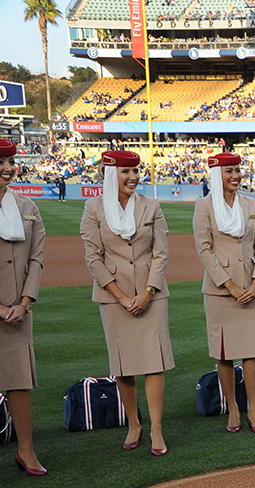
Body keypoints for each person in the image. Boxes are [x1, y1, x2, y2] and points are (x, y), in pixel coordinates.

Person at [81, 151, 173, 456]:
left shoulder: (152, 205)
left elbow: (161, 253)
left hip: (152, 294)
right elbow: (93, 258)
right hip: (113, 297)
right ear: (111, 175)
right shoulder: (93, 208)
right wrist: (121, 297)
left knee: (154, 363)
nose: (133, 177)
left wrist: (147, 292)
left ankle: (157, 429)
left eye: (135, 170)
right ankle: (135, 423)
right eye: (125, 171)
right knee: (123, 365)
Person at [193, 153, 255, 434]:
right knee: (224, 353)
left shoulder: (251, 204)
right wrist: (230, 285)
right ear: (216, 175)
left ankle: (252, 410)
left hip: (250, 288)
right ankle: (233, 409)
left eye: (237, 170)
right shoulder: (203, 206)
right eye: (228, 171)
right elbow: (204, 250)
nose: (235, 175)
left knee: (251, 352)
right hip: (219, 291)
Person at [0, 139, 46, 476]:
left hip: (18, 311)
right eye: (1, 162)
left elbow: (36, 259)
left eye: (11, 161)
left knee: (19, 381)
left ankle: (26, 451)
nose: (8, 168)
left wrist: (25, 302)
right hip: (3, 309)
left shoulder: (27, 207)